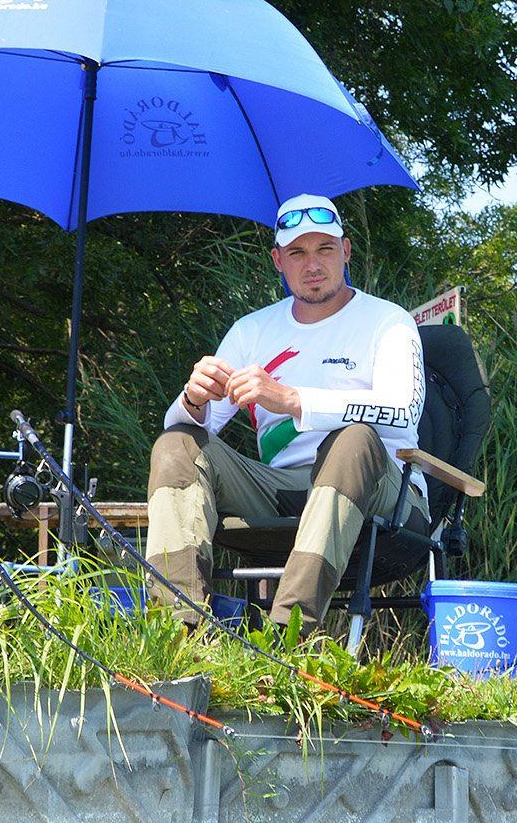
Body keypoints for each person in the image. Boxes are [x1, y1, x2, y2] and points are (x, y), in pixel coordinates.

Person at [146, 193, 426, 629]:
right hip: (282, 490)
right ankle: (178, 632)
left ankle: (287, 636)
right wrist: (193, 400)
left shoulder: (387, 321)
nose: (312, 265)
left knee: (353, 439)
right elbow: (182, 430)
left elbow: (403, 410)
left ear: (346, 251)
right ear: (278, 260)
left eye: (325, 249)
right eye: (297, 252)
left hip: (386, 491)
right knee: (175, 444)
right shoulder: (252, 330)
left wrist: (293, 399)